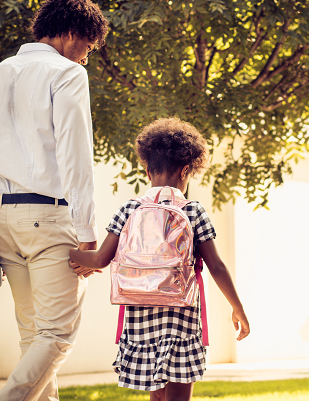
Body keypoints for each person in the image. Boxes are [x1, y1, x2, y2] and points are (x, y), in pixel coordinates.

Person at [0, 1, 108, 399]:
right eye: (89, 48)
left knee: (33, 337)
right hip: (48, 216)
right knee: (58, 335)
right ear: (73, 34)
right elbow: (76, 159)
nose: (86, 57)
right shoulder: (67, 73)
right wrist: (87, 232)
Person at [69, 117, 250, 401]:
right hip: (181, 320)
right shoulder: (193, 211)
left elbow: (101, 259)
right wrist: (237, 307)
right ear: (187, 170)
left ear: (146, 168)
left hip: (142, 321)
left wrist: (67, 254)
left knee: (157, 397)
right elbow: (216, 266)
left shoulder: (129, 208)